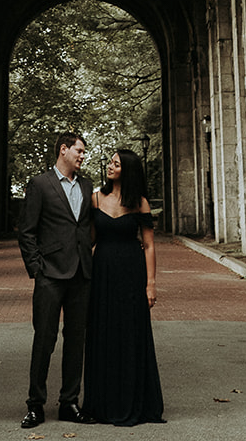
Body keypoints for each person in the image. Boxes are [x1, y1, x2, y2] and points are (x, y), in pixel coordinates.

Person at [83, 148, 165, 426]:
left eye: (116, 164)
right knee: (103, 332)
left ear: (127, 170)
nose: (109, 166)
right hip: (102, 272)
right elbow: (90, 239)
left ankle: (134, 402)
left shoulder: (140, 203)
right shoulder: (95, 198)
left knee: (130, 334)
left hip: (132, 273)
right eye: (110, 162)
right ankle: (102, 404)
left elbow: (150, 245)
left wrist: (150, 285)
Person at [17, 132, 94, 429]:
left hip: (81, 276)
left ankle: (69, 402)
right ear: (63, 150)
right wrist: (37, 268)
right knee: (44, 340)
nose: (83, 156)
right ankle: (35, 404)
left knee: (76, 341)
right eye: (79, 150)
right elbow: (27, 231)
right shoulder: (39, 184)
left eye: (84, 152)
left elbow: (87, 226)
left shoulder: (87, 186)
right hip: (50, 275)